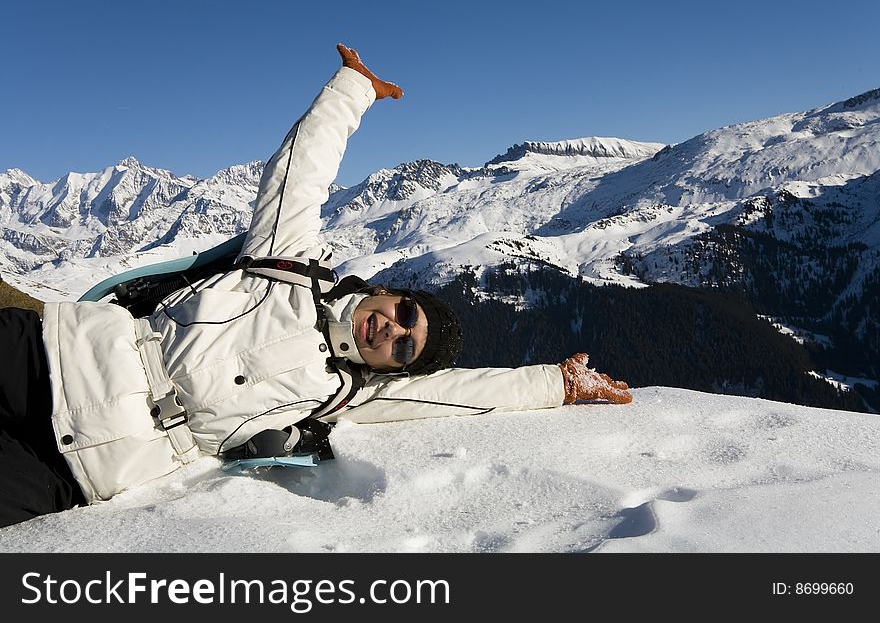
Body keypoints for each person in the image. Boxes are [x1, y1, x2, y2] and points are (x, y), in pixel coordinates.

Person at [0, 44, 631, 528]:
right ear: (390, 293)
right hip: (50, 355)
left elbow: (457, 393)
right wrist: (354, 90)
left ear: (395, 366)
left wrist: (557, 383)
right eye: (405, 311)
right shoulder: (289, 268)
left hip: (78, 468)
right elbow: (300, 174)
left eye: (405, 347)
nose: (393, 329)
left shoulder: (341, 398)